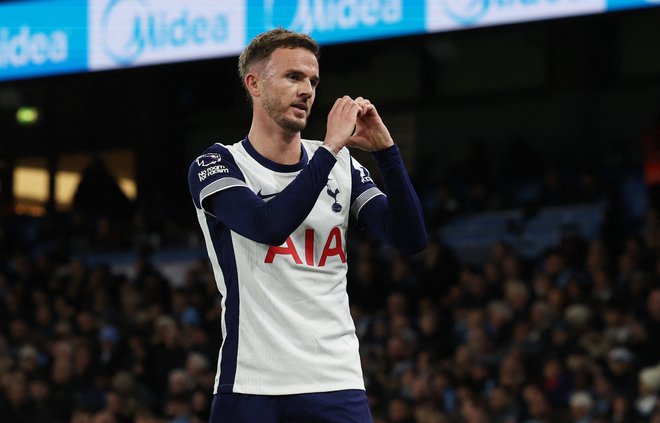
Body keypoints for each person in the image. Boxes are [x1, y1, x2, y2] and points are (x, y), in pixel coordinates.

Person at [188, 28, 427, 423]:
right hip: (251, 381)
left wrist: (387, 152)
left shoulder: (343, 167)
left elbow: (410, 239)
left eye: (313, 80)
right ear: (254, 84)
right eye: (293, 77)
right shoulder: (218, 164)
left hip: (334, 378)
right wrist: (331, 148)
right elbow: (267, 226)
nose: (307, 90)